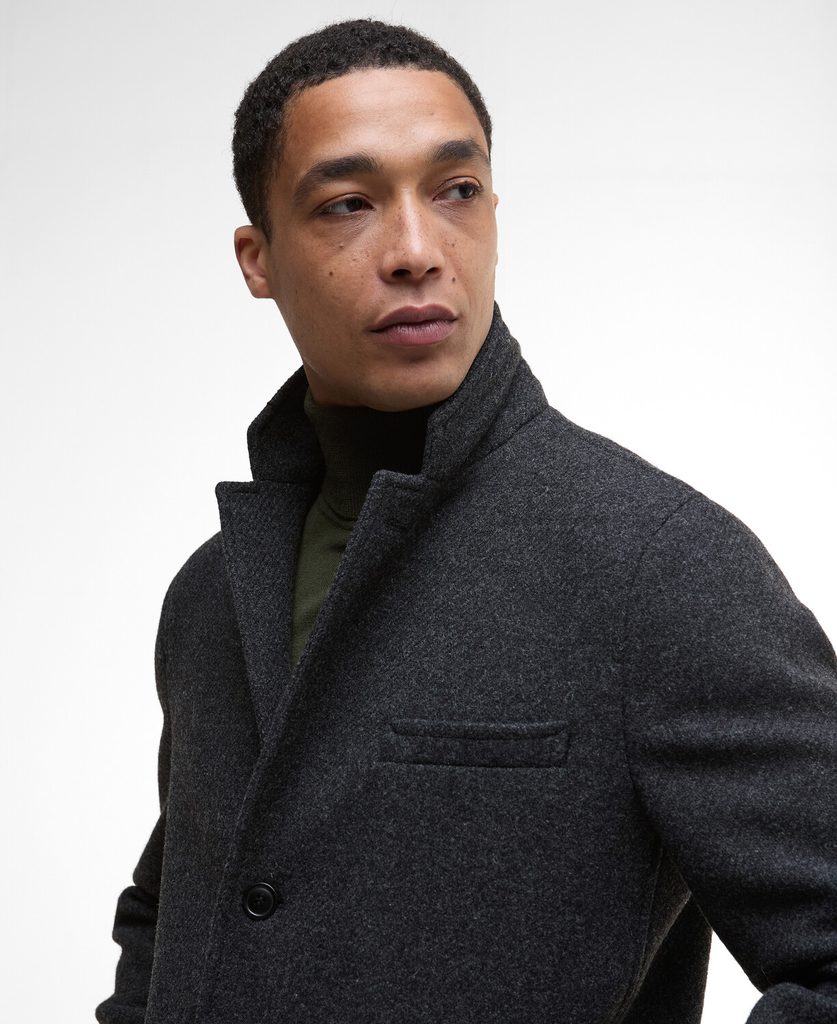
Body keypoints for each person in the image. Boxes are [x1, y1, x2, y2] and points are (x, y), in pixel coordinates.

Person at [95, 18, 837, 1024]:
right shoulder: (211, 593)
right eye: (348, 204)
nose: (416, 251)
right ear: (257, 258)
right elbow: (172, 915)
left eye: (455, 191)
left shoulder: (658, 567)